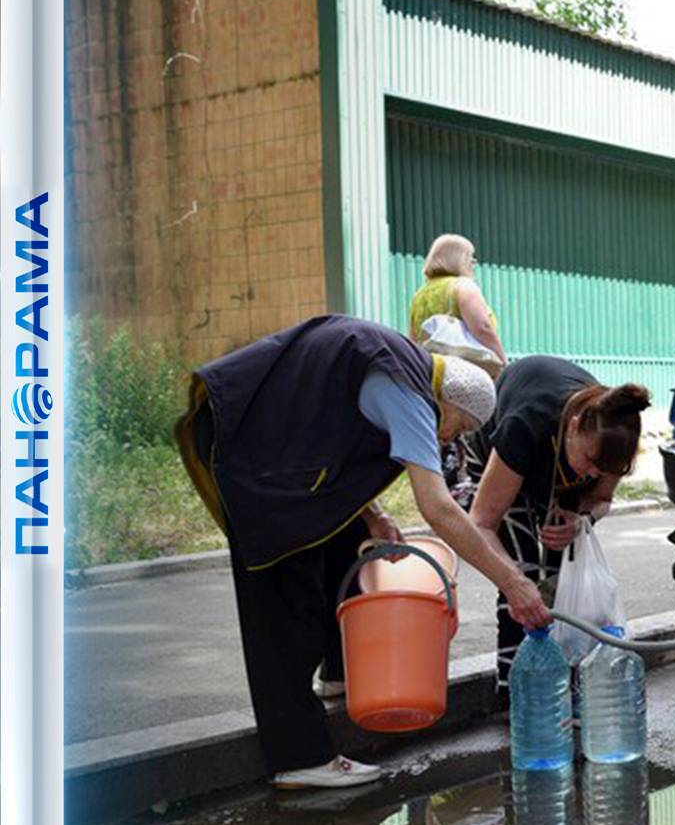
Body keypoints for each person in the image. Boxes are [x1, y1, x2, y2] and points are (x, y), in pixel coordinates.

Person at [174, 315, 553, 789]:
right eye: (456, 428)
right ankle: (299, 757)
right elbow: (439, 509)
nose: (449, 439)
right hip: (250, 445)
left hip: (273, 444)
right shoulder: (410, 392)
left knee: (346, 536)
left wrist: (371, 513)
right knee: (282, 588)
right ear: (447, 403)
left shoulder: (397, 368)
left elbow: (324, 424)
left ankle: (340, 670)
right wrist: (513, 581)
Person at [463, 356, 650, 693]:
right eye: (591, 463)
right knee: (523, 575)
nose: (594, 475)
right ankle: (516, 692)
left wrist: (581, 520)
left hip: (558, 471)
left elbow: (600, 500)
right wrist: (512, 582)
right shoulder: (526, 424)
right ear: (575, 425)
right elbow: (481, 523)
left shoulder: (611, 438)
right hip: (502, 458)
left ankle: (562, 682)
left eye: (603, 470)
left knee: (560, 575)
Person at [409, 233, 506, 373]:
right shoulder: (463, 286)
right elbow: (482, 328)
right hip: (467, 372)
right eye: (469, 257)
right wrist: (502, 360)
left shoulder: (419, 295)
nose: (472, 263)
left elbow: (414, 339)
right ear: (458, 259)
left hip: (433, 372)